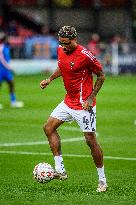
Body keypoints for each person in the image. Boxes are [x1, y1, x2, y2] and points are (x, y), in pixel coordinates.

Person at [40, 26, 107, 192]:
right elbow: (63, 67)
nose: (64, 46)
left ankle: (102, 180)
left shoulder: (86, 56)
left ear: (74, 39)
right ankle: (60, 170)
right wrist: (50, 79)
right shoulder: (61, 50)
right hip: (68, 101)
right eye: (61, 43)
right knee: (48, 128)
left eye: (67, 43)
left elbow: (101, 76)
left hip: (84, 105)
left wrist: (91, 98)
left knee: (90, 141)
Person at [0, 32, 24, 109]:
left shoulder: (5, 47)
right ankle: (13, 101)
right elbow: (2, 59)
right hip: (2, 69)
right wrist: (9, 68)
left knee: (11, 84)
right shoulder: (1, 48)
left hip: (5, 70)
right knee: (9, 84)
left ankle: (13, 101)